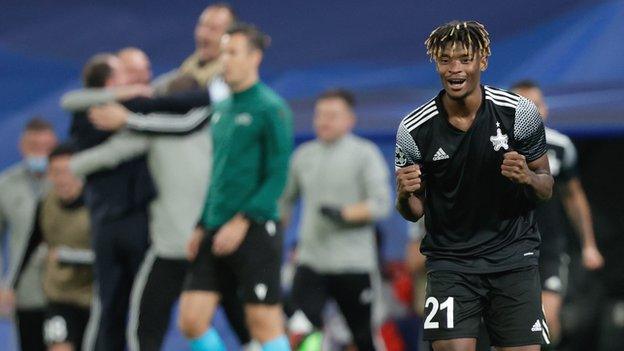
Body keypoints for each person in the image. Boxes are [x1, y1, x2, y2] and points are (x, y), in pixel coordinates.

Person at [394, 21, 554, 351]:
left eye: (465, 59)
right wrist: (404, 194)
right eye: (446, 60)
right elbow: (413, 213)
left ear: (482, 61)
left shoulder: (518, 113)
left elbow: (546, 186)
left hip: (512, 258)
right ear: (436, 63)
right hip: (451, 263)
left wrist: (527, 176)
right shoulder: (413, 129)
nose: (455, 69)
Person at [65, 75, 252, 351]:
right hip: (209, 247)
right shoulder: (219, 128)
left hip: (175, 250)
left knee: (147, 333)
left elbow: (97, 155)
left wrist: (70, 165)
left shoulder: (153, 131)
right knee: (245, 326)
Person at [69, 53, 208, 351]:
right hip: (130, 232)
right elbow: (74, 105)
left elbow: (182, 112)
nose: (142, 78)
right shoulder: (111, 111)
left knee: (171, 321)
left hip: (165, 236)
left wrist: (75, 165)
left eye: (146, 70)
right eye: (131, 71)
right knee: (122, 314)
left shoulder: (154, 120)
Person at [175, 22, 293, 351]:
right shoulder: (222, 109)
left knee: (263, 325)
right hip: (214, 228)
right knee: (191, 320)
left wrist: (242, 221)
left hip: (254, 229)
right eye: (222, 52)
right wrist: (201, 224)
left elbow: (277, 175)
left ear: (255, 57)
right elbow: (218, 174)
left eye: (233, 52)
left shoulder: (271, 107)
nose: (224, 59)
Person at [280, 89, 391, 350]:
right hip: (311, 262)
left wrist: (345, 214)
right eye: (319, 115)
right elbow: (283, 203)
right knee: (301, 330)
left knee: (361, 336)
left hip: (352, 265)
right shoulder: (303, 156)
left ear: (349, 120)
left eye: (332, 115)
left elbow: (382, 203)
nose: (323, 121)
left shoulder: (365, 154)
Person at [511, 80, 604, 347]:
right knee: (515, 325)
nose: (531, 112)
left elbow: (573, 196)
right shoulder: (495, 147)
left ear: (546, 109)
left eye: (536, 105)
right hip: (507, 247)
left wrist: (589, 245)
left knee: (545, 319)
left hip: (549, 247)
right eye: (522, 106)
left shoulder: (561, 146)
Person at [13, 144, 93, 351]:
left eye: (68, 171)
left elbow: (107, 257)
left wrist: (68, 256)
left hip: (95, 299)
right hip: (60, 298)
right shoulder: (46, 202)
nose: (63, 179)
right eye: (56, 172)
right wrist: (10, 286)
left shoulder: (99, 206)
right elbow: (30, 244)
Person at [0, 117, 57, 351]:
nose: (41, 154)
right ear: (22, 146)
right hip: (26, 291)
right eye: (35, 148)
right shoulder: (6, 185)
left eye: (47, 148)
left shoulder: (71, 180)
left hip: (69, 289)